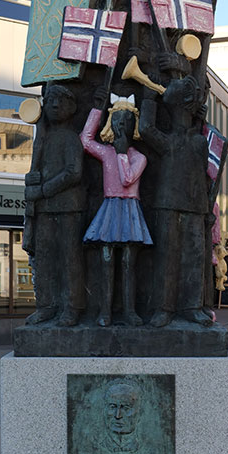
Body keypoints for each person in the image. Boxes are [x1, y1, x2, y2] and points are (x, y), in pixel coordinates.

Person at [139, 76, 212, 327]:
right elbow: (146, 128)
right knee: (167, 258)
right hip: (168, 203)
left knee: (193, 257)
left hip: (194, 206)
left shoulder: (198, 141)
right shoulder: (172, 140)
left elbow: (204, 177)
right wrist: (149, 97)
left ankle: (191, 307)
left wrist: (207, 210)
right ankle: (164, 308)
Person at [80, 94, 152, 327]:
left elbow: (127, 179)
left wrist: (121, 153)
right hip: (110, 210)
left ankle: (130, 311)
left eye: (127, 122)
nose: (122, 126)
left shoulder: (138, 157)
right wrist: (97, 110)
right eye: (119, 121)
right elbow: (85, 140)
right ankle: (105, 311)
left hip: (130, 211)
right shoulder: (105, 153)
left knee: (129, 264)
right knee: (107, 261)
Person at [23, 84, 86, 326]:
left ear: (72, 107)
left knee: (69, 258)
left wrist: (43, 190)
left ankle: (71, 307)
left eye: (61, 101)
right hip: (45, 209)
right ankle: (46, 305)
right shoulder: (43, 139)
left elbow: (74, 172)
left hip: (68, 206)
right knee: (45, 258)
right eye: (50, 101)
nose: (56, 105)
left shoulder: (70, 138)